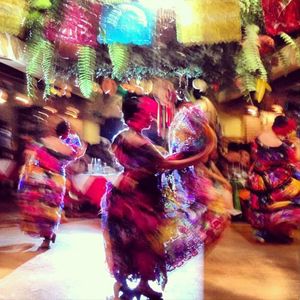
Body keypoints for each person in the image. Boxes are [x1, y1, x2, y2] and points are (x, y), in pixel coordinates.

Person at [101, 94, 215, 299]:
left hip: (126, 194)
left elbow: (154, 162)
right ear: (135, 116)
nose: (152, 119)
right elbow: (163, 164)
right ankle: (130, 284)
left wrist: (182, 156)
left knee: (132, 242)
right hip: (137, 199)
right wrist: (197, 156)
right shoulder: (137, 141)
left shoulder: (121, 138)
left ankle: (135, 284)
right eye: (147, 115)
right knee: (143, 241)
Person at [161, 105, 230, 270]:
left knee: (213, 217)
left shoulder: (192, 144)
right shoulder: (185, 147)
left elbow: (201, 165)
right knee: (196, 219)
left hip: (190, 184)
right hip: (183, 186)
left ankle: (191, 252)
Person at [18, 117, 85, 249]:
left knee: (40, 209)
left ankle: (45, 235)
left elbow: (29, 155)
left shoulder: (42, 142)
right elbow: (76, 155)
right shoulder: (65, 147)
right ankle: (48, 236)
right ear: (65, 132)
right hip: (57, 182)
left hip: (41, 179)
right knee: (51, 210)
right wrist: (83, 147)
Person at [247, 115, 300, 243]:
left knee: (262, 204)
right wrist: (297, 144)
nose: (287, 133)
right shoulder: (281, 145)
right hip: (273, 178)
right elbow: (294, 159)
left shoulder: (259, 137)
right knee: (292, 196)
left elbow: (254, 156)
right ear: (281, 128)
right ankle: (278, 231)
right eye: (286, 130)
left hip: (257, 178)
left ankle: (265, 232)